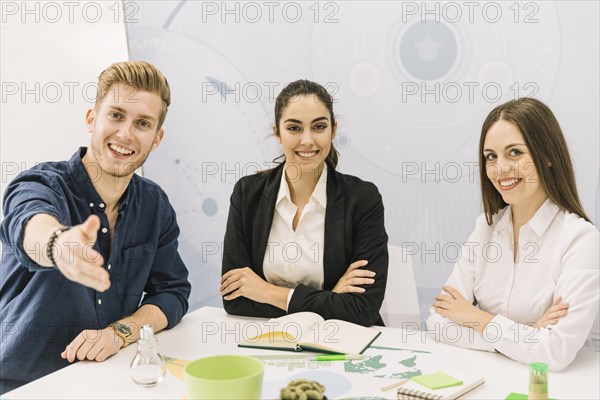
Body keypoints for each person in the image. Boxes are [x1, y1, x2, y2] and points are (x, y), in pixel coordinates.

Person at [0, 61, 191, 393]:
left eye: (142, 123)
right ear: (92, 119)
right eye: (116, 115)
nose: (125, 134)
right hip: (20, 386)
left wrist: (120, 332)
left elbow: (173, 293)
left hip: (105, 383)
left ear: (156, 139)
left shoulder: (155, 206)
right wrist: (59, 245)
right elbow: (29, 223)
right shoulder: (41, 184)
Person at [427, 97, 599, 371]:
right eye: (491, 156)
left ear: (547, 157)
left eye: (515, 153)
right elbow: (438, 322)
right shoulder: (485, 228)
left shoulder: (580, 238)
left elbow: (555, 351)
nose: (500, 168)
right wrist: (528, 332)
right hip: (490, 379)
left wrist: (476, 318)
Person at [219, 80, 388, 326]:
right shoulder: (248, 194)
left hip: (341, 345)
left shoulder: (362, 199)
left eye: (319, 127)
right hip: (268, 343)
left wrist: (267, 292)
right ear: (277, 132)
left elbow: (362, 310)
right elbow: (235, 300)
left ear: (334, 129)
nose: (307, 140)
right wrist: (331, 300)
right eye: (294, 128)